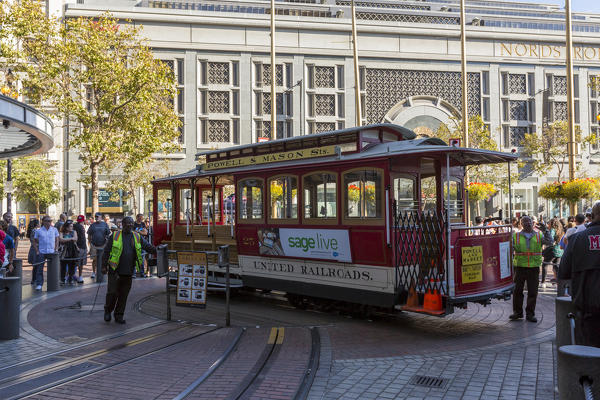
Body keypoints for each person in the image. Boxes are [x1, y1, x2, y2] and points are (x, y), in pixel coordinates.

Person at [558, 201, 600, 347]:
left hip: (587, 308)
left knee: (587, 354)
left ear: (591, 216)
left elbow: (563, 272)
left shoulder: (577, 239)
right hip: (587, 307)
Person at [102, 216, 156, 324]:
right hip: (115, 270)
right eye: (127, 223)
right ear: (122, 224)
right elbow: (106, 251)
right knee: (112, 293)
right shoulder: (115, 235)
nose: (130, 225)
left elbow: (148, 247)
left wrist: (158, 249)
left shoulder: (137, 236)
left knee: (123, 295)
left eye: (131, 223)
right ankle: (108, 310)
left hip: (128, 271)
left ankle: (119, 315)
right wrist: (103, 266)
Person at [509, 215, 553, 322]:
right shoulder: (516, 236)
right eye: (524, 222)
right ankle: (517, 313)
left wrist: (546, 230)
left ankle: (530, 314)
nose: (527, 223)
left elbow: (550, 242)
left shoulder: (539, 235)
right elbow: (509, 247)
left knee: (533, 292)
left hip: (534, 267)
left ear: (533, 223)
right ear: (521, 224)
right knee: (517, 291)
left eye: (529, 221)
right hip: (520, 267)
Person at [32, 216, 59, 291]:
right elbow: (34, 241)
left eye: (50, 221)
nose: (49, 222)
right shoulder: (39, 231)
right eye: (47, 221)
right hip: (42, 251)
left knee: (53, 269)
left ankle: (53, 282)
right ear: (43, 221)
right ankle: (39, 284)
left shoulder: (54, 230)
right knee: (39, 268)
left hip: (52, 252)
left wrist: (56, 249)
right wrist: (37, 250)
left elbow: (57, 240)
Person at [87, 212, 111, 279]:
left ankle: (101, 271)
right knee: (94, 260)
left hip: (103, 245)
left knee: (103, 259)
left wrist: (107, 243)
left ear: (101, 217)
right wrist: (90, 243)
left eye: (98, 217)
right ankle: (93, 272)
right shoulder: (92, 225)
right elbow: (89, 234)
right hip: (94, 245)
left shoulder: (105, 224)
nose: (97, 218)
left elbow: (108, 234)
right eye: (96, 217)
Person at [59, 220, 79, 284]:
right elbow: (61, 240)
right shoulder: (62, 232)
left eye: (72, 226)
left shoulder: (74, 232)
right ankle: (62, 279)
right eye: (70, 226)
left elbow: (75, 239)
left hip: (72, 251)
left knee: (72, 265)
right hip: (64, 252)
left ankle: (70, 279)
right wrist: (71, 239)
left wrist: (66, 240)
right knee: (63, 266)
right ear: (66, 227)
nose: (72, 228)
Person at [27, 219, 43, 285]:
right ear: (36, 224)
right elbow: (36, 240)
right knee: (37, 265)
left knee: (35, 265)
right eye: (38, 223)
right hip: (36, 248)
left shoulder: (33, 230)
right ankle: (34, 279)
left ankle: (34, 279)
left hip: (33, 248)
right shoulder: (35, 231)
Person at [74, 215, 87, 283]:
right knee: (77, 263)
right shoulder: (77, 226)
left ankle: (79, 276)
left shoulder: (78, 226)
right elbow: (75, 239)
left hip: (82, 247)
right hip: (80, 247)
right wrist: (76, 247)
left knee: (80, 263)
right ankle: (76, 276)